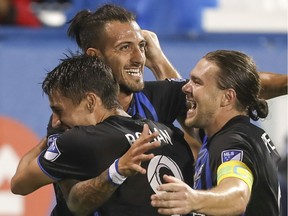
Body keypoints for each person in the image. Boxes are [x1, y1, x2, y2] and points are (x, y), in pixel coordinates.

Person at [11, 54, 195, 216]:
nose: (57, 120)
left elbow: (19, 184)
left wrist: (52, 138)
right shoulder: (172, 134)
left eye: (58, 110)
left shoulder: (79, 139)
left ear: (90, 101)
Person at [150, 50, 281, 216]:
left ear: (227, 97)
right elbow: (181, 106)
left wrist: (194, 199)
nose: (185, 87)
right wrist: (157, 59)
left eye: (197, 82)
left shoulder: (233, 142)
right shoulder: (222, 135)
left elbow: (238, 195)